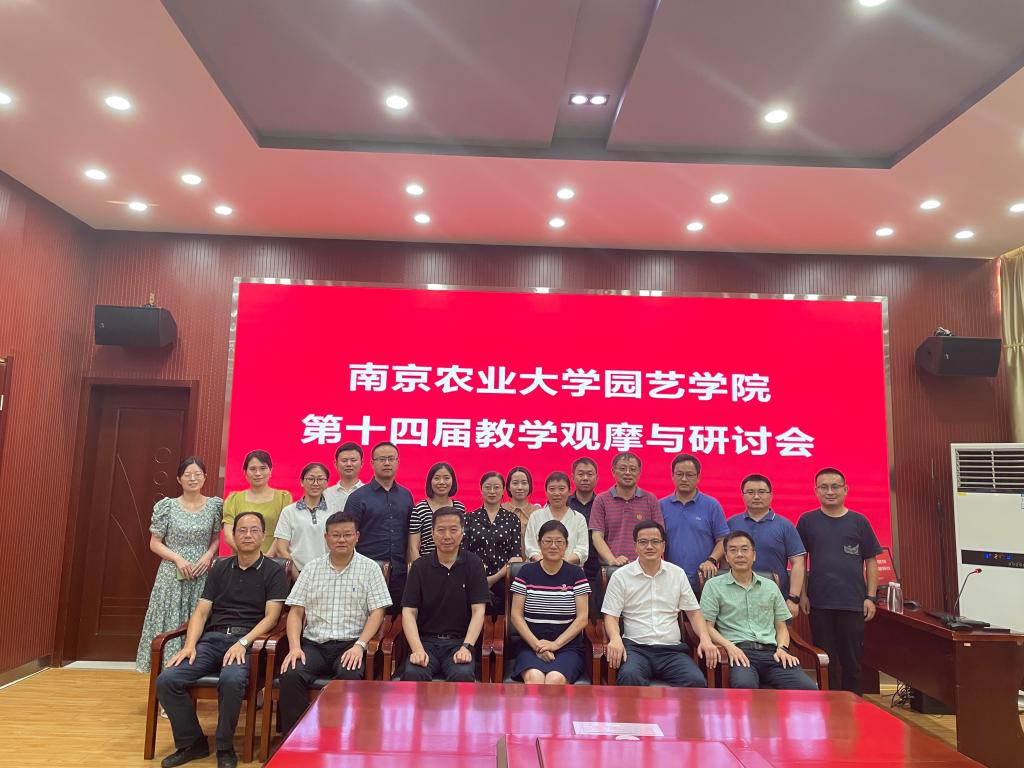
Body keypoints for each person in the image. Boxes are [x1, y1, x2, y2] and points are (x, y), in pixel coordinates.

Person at [156, 512, 288, 768]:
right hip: (213, 639)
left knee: (231, 680)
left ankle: (225, 747)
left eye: (254, 530)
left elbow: (272, 618)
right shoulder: (220, 568)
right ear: (233, 535)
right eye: (242, 530)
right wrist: (189, 645)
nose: (247, 535)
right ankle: (192, 743)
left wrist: (243, 643)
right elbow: (201, 612)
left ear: (263, 535)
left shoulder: (274, 571)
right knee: (167, 680)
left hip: (247, 643)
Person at [277, 511, 392, 733]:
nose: (341, 540)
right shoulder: (311, 568)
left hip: (350, 644)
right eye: (336, 535)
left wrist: (360, 645)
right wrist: (294, 647)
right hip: (314, 645)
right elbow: (295, 612)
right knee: (291, 673)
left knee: (350, 673)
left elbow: (377, 613)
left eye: (347, 534)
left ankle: (342, 736)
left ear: (357, 536)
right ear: (326, 537)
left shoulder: (370, 568)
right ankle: (296, 738)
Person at [602, 521, 719, 687]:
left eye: (655, 541)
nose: (649, 546)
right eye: (643, 542)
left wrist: (705, 639)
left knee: (696, 681)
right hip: (636, 649)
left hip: (671, 651)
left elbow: (693, 613)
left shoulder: (677, 574)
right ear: (635, 547)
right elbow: (611, 616)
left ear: (663, 546)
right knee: (629, 677)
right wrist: (615, 639)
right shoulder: (621, 576)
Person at [797, 468, 881, 695]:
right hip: (819, 602)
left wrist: (871, 597)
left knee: (852, 659)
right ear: (816, 491)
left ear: (845, 489)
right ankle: (829, 703)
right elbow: (800, 561)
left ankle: (855, 702)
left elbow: (871, 561)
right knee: (826, 659)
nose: (830, 491)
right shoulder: (807, 521)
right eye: (824, 487)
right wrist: (803, 594)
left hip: (853, 602)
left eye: (835, 487)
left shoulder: (859, 521)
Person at [700, 531, 818, 690]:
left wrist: (782, 649)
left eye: (745, 549)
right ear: (726, 557)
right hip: (739, 652)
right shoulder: (714, 586)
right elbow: (707, 626)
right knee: (745, 686)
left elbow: (781, 627)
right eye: (733, 550)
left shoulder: (770, 586)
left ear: (754, 555)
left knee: (808, 689)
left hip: (773, 654)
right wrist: (729, 647)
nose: (739, 554)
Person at [136, 457, 223, 673]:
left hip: (202, 573)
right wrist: (177, 558)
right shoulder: (167, 506)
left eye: (197, 474)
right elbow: (154, 543)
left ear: (205, 477)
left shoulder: (214, 506)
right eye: (187, 475)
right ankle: (166, 676)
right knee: (170, 621)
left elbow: (216, 538)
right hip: (172, 575)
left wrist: (209, 556)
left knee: (200, 618)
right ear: (179, 479)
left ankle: (192, 672)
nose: (193, 478)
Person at [400, 507, 490, 682]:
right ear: (432, 533)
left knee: (462, 674)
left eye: (453, 530)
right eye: (441, 530)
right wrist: (417, 649)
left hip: (459, 642)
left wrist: (466, 647)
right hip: (426, 642)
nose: (447, 536)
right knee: (414, 673)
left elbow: (479, 611)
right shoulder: (419, 566)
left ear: (462, 533)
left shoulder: (474, 564)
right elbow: (408, 612)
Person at [510, 520, 591, 684]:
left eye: (559, 541)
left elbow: (582, 618)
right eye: (547, 541)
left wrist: (555, 644)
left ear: (566, 545)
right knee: (534, 677)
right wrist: (537, 646)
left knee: (555, 679)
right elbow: (515, 616)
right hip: (530, 645)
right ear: (539, 543)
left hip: (567, 647)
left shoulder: (576, 574)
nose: (553, 546)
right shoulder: (526, 572)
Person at [344, 441, 415, 611]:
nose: (387, 463)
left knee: (397, 621)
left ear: (398, 462)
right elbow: (347, 536)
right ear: (372, 463)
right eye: (382, 459)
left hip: (400, 575)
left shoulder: (406, 495)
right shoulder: (357, 497)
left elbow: (410, 534)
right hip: (366, 573)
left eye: (391, 459)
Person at [726, 474, 806, 617]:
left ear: (771, 495)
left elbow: (798, 562)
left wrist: (793, 598)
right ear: (743, 496)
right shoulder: (731, 523)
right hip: (735, 598)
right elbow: (724, 560)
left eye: (762, 492)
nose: (756, 496)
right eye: (750, 492)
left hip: (775, 597)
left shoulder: (785, 525)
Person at [660, 454, 728, 595]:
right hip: (669, 580)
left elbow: (723, 540)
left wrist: (711, 560)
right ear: (672, 476)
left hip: (704, 580)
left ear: (698, 477)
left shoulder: (712, 505)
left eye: (690, 475)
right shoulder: (661, 506)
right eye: (680, 474)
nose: (684, 479)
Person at [463, 472, 522, 614]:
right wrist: (480, 576)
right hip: (474, 578)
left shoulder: (512, 519)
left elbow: (516, 557)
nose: (492, 491)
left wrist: (493, 579)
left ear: (503, 490)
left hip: (503, 579)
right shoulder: (469, 518)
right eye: (488, 487)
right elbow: (463, 553)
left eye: (496, 487)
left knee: (504, 615)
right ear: (481, 489)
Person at [589, 452, 662, 566]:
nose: (628, 473)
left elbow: (659, 535)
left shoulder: (650, 499)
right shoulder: (601, 500)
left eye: (632, 469)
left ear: (639, 473)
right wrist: (613, 560)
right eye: (623, 469)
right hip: (613, 567)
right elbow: (597, 536)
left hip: (645, 565)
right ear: (613, 471)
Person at [223, 450, 292, 554]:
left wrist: (266, 558)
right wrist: (246, 555)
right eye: (252, 469)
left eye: (263, 468)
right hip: (241, 558)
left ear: (270, 471)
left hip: (272, 558)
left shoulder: (283, 497)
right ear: (245, 472)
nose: (258, 473)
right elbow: (228, 534)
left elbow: (283, 532)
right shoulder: (234, 499)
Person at [273, 463, 331, 575]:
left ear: (326, 483)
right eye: (310, 479)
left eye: (320, 479)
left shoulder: (334, 511)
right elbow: (281, 549)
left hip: (326, 574)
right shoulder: (289, 511)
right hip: (296, 573)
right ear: (301, 482)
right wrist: (299, 578)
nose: (315, 483)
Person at [524, 471, 589, 565]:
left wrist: (560, 564)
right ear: (546, 491)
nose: (557, 493)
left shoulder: (579, 518)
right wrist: (547, 564)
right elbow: (531, 549)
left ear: (569, 491)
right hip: (540, 568)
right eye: (552, 489)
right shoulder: (535, 516)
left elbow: (582, 551)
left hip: (570, 569)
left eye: (561, 489)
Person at [408, 462, 466, 562]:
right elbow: (413, 547)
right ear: (430, 482)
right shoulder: (420, 508)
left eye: (446, 478)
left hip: (455, 565)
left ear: (453, 481)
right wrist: (419, 568)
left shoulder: (459, 508)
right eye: (437, 478)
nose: (442, 482)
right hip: (427, 565)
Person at [568, 457, 601, 602]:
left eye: (590, 474)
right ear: (573, 477)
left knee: (595, 612)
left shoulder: (603, 503)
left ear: (597, 478)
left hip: (597, 570)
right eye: (581, 474)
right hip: (568, 569)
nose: (585, 478)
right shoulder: (564, 503)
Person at [505, 466, 540, 552]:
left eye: (524, 483)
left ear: (530, 486)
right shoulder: (500, 510)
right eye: (515, 483)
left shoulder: (537, 512)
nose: (520, 487)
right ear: (509, 486)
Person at [324, 442, 364, 514]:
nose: (349, 464)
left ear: (362, 463)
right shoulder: (325, 494)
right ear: (336, 464)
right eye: (344, 460)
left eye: (353, 460)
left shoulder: (370, 493)